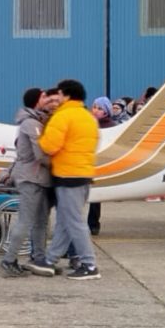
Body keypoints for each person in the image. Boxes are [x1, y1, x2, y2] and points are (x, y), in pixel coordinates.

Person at [28, 79, 101, 280]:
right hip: (84, 174)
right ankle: (50, 260)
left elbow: (49, 146)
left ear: (66, 95)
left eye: (59, 94)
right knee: (65, 222)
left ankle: (89, 264)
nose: (56, 98)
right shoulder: (88, 117)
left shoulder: (63, 116)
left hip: (67, 175)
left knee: (74, 222)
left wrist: (39, 137)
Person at [0, 88, 52, 277]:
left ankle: (38, 257)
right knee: (26, 221)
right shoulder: (30, 123)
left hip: (39, 179)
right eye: (44, 96)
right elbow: (41, 154)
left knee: (41, 221)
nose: (48, 99)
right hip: (31, 178)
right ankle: (9, 260)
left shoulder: (36, 121)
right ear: (36, 101)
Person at [86, 96, 115, 236]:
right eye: (94, 107)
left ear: (106, 112)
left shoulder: (110, 127)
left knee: (96, 197)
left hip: (100, 164)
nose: (95, 110)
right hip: (89, 162)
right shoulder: (89, 124)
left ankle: (93, 224)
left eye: (99, 108)